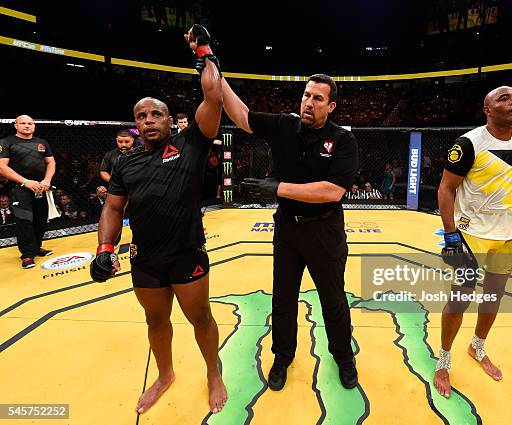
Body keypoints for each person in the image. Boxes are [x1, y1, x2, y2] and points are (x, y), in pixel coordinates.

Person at [89, 25, 227, 414]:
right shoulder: (125, 162)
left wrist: (204, 51)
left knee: (201, 317)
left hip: (187, 253)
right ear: (136, 123)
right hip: (145, 257)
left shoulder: (191, 144)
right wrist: (104, 248)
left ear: (169, 120)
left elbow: (214, 96)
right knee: (155, 320)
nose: (149, 120)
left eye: (156, 114)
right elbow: (113, 208)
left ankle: (213, 373)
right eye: (141, 116)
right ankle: (165, 374)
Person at [222, 73, 359, 390]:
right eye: (306, 95)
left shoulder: (342, 140)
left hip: (324, 230)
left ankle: (343, 358)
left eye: (318, 98)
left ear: (331, 106)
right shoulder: (285, 125)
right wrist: (213, 66)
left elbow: (333, 192)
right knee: (283, 299)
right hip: (287, 229)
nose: (309, 102)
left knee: (333, 300)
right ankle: (282, 356)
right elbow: (242, 116)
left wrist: (277, 188)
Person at [435, 86, 512, 398]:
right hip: (471, 235)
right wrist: (451, 235)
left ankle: (477, 347)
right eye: (504, 98)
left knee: (494, 297)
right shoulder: (469, 142)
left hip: (506, 236)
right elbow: (446, 189)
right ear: (487, 109)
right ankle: (444, 358)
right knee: (460, 299)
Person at [0, 115, 56, 268]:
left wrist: (47, 180)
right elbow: (2, 167)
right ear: (15, 125)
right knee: (24, 221)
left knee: (40, 219)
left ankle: (36, 248)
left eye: (30, 123)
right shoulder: (6, 142)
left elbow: (50, 162)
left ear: (34, 126)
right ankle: (27, 255)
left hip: (40, 187)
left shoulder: (42, 142)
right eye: (23, 123)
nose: (27, 126)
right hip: (19, 188)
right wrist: (25, 182)